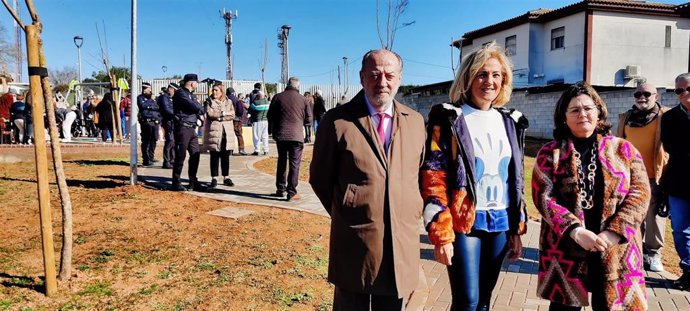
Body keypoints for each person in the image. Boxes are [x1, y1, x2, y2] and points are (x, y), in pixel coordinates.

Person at [310, 49, 425, 311]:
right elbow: (320, 178)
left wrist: (409, 207)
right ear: (362, 78)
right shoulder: (337, 121)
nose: (382, 82)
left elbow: (417, 174)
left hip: (400, 237)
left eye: (389, 75)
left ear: (400, 78)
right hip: (355, 237)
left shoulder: (416, 122)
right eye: (374, 75)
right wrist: (351, 206)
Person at [420, 42, 528, 311]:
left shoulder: (512, 121)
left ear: (503, 80)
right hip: (463, 221)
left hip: (501, 220)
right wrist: (441, 233)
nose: (488, 81)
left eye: (495, 75)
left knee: (483, 301)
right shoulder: (447, 119)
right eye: (481, 74)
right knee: (466, 301)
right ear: (467, 77)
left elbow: (516, 179)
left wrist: (517, 226)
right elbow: (433, 177)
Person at [532, 82, 650, 310]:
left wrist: (615, 232)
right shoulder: (550, 152)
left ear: (598, 111)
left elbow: (640, 193)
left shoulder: (623, 149)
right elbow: (543, 197)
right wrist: (575, 231)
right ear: (563, 117)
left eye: (588, 108)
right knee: (564, 307)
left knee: (613, 305)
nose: (582, 114)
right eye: (574, 110)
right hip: (567, 246)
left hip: (616, 248)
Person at [615, 83, 669, 272]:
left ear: (657, 96)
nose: (642, 97)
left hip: (655, 175)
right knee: (632, 212)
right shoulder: (626, 118)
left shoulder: (665, 117)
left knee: (653, 216)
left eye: (647, 94)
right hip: (630, 177)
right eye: (638, 94)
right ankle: (635, 250)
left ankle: (653, 253)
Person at [661, 73, 690, 290]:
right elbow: (671, 147)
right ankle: (687, 270)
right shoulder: (670, 118)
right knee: (679, 230)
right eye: (679, 90)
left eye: (688, 89)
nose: (684, 94)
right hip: (679, 182)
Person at [268, 76, 311, 201]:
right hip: (296, 136)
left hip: (281, 135)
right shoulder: (303, 100)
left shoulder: (277, 97)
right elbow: (309, 119)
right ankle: (291, 192)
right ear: (298, 87)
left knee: (281, 161)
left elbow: (270, 115)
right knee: (295, 163)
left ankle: (280, 189)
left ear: (287, 84)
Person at [171, 73, 206, 192]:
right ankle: (176, 182)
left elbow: (196, 106)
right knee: (181, 155)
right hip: (183, 128)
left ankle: (193, 181)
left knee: (195, 154)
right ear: (192, 83)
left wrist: (199, 110)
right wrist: (201, 109)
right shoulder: (181, 93)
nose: (197, 84)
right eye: (196, 83)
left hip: (192, 128)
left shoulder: (191, 95)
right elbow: (194, 106)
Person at [203, 83, 236, 188]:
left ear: (222, 91)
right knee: (214, 156)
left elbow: (232, 115)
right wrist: (224, 113)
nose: (214, 92)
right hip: (214, 132)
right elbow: (210, 114)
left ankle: (226, 177)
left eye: (216, 90)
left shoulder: (229, 101)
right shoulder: (209, 101)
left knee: (226, 156)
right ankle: (214, 177)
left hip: (226, 132)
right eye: (213, 90)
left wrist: (221, 116)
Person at [138, 82, 162, 166]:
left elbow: (157, 107)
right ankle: (146, 159)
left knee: (154, 139)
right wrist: (151, 107)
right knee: (146, 140)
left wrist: (150, 107)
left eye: (149, 89)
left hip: (154, 121)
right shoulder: (140, 97)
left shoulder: (152, 99)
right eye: (147, 89)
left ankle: (151, 157)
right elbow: (142, 106)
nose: (149, 90)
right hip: (146, 121)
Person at [158, 83, 177, 169]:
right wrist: (177, 114)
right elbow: (167, 109)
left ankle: (172, 160)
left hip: (173, 121)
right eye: (174, 90)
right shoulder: (164, 97)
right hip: (168, 121)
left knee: (173, 142)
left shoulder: (171, 98)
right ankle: (166, 161)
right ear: (170, 89)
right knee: (170, 141)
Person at [249, 90, 270, 156]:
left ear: (258, 96)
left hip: (257, 121)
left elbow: (250, 110)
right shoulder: (267, 102)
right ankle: (266, 150)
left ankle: (257, 150)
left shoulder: (255, 103)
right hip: (265, 120)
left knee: (256, 136)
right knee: (265, 136)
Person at [232, 90, 248, 155]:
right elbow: (241, 111)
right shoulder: (238, 101)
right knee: (239, 135)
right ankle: (241, 149)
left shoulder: (226, 99)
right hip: (237, 119)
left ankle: (230, 150)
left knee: (230, 135)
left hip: (229, 119)